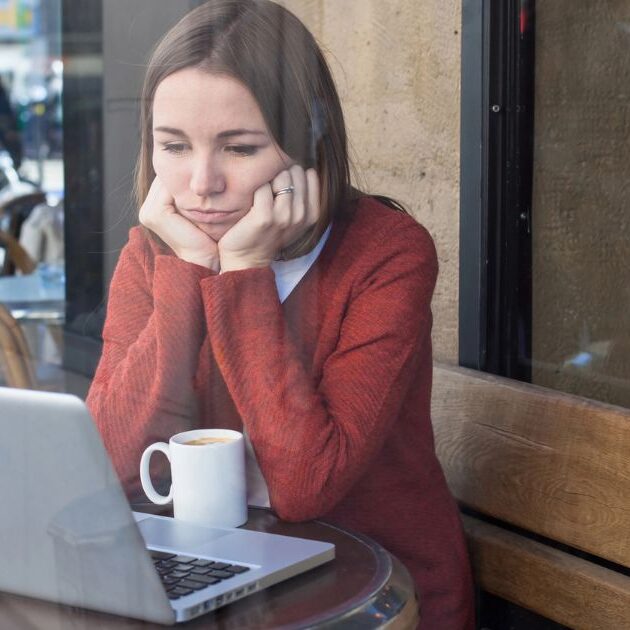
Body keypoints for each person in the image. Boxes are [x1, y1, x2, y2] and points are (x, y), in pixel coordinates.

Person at [86, 1, 474, 627]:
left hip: (373, 598)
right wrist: (188, 270)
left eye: (238, 148)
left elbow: (304, 484)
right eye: (174, 146)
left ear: (308, 144)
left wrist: (242, 273)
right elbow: (108, 465)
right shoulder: (155, 255)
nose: (201, 181)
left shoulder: (387, 254)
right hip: (227, 590)